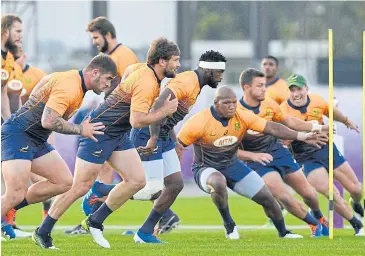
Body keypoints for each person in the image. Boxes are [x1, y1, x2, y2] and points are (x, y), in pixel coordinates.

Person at [33, 37, 180, 250]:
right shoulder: (147, 81)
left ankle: (94, 221)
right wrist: (164, 112)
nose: (178, 65)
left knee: (138, 181)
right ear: (162, 61)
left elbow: (129, 72)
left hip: (117, 134)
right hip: (99, 131)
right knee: (79, 187)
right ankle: (43, 231)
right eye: (175, 60)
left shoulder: (143, 71)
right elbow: (136, 121)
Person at [176, 86, 327, 240]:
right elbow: (178, 145)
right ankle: (229, 226)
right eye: (227, 103)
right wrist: (173, 171)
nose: (232, 106)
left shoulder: (242, 116)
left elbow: (272, 128)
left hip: (232, 165)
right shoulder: (198, 121)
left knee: (268, 199)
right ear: (216, 103)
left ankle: (285, 232)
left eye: (234, 102)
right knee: (218, 181)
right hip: (205, 168)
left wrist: (302, 136)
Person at [1, 54, 117, 244]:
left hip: (36, 138)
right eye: (108, 79)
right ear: (96, 73)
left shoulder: (73, 79)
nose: (109, 85)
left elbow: (45, 80)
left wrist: (33, 101)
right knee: (14, 193)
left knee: (63, 182)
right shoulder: (70, 87)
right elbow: (47, 121)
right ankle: (10, 205)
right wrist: (81, 129)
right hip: (18, 135)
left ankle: (11, 207)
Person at [131, 50, 226, 242]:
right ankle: (102, 191)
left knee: (175, 184)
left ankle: (144, 232)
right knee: (151, 189)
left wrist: (174, 143)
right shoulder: (187, 81)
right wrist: (154, 138)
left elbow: (169, 118)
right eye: (219, 72)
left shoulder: (196, 85)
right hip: (149, 134)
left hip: (163, 136)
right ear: (208, 70)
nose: (221, 77)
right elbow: (158, 106)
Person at [66, 16, 140, 235]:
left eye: (96, 38)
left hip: (122, 122)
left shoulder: (122, 56)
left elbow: (129, 90)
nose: (95, 43)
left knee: (133, 177)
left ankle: (92, 221)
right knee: (112, 171)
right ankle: (93, 221)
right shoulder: (112, 56)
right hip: (116, 121)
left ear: (107, 35)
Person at [237, 68, 329, 237]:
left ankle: (319, 216)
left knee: (309, 193)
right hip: (258, 161)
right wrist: (252, 156)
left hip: (279, 153)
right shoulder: (235, 112)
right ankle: (314, 225)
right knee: (285, 197)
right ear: (246, 88)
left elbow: (290, 122)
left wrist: (318, 127)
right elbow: (229, 149)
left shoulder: (269, 103)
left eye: (265, 85)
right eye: (260, 86)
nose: (265, 89)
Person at [280, 74, 364, 236]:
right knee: (331, 193)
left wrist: (346, 121)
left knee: (356, 188)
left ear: (306, 89)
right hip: (305, 156)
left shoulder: (317, 100)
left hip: (326, 148)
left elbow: (331, 111)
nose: (296, 93)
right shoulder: (283, 109)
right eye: (292, 90)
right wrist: (308, 135)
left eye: (299, 89)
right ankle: (357, 225)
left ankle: (356, 202)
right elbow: (284, 136)